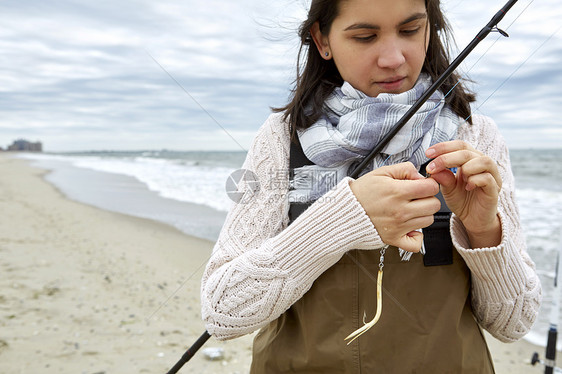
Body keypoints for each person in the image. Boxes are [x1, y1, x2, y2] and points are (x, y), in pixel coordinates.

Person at [201, 0, 542, 372]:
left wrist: (483, 230)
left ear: (432, 27)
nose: (394, 58)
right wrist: (343, 219)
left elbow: (514, 324)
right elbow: (222, 312)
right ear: (322, 39)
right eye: (365, 36)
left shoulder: (476, 135)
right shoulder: (282, 139)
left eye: (411, 30)